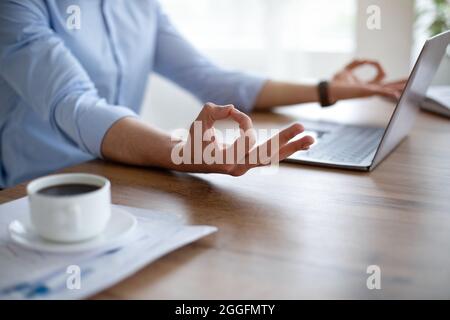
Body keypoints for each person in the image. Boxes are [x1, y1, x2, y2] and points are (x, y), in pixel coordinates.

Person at [0, 0, 406, 188]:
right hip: (38, 189)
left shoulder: (140, 7)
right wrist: (184, 152)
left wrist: (327, 90)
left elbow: (211, 79)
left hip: (123, 175)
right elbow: (76, 104)